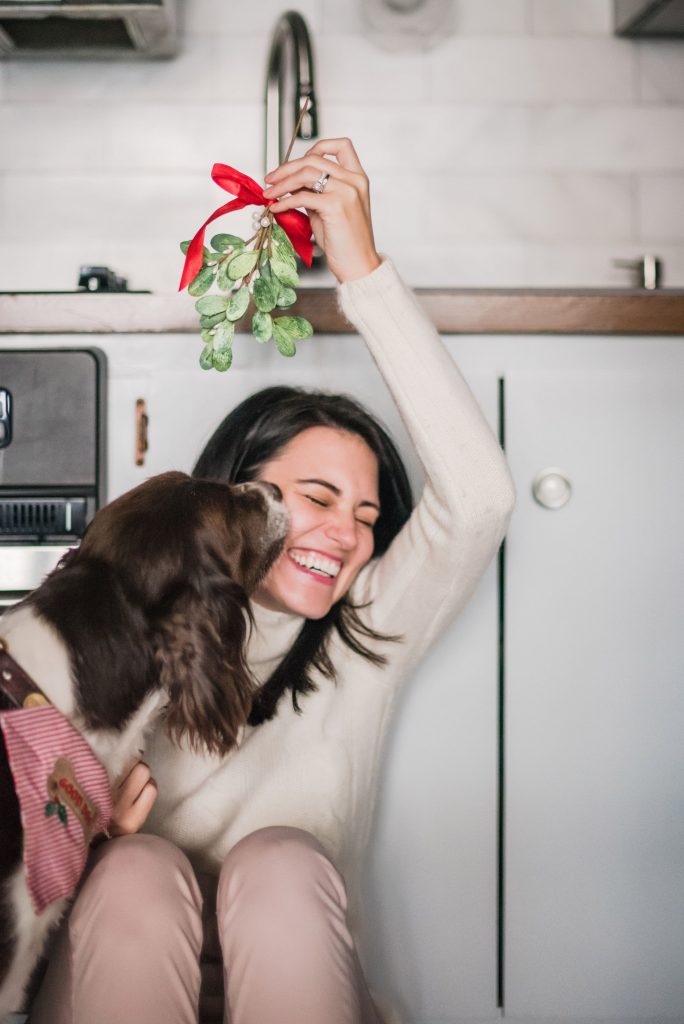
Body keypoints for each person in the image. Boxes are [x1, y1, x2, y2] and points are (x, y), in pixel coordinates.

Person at [29, 139, 515, 1024]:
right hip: (118, 979)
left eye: (368, 518)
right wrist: (88, 838)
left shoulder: (366, 636)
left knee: (282, 858)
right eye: (319, 498)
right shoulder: (123, 634)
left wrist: (360, 267)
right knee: (135, 868)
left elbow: (479, 499)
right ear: (236, 499)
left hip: (304, 987)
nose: (345, 533)